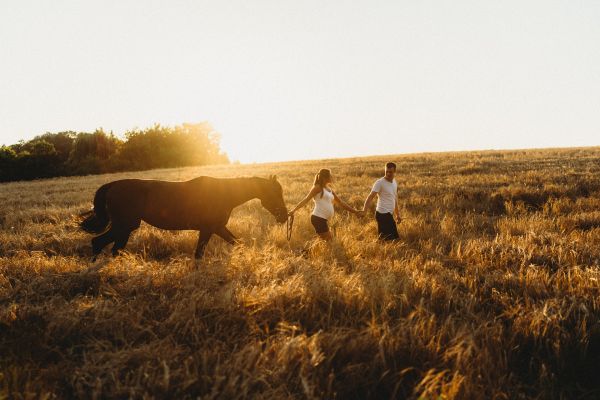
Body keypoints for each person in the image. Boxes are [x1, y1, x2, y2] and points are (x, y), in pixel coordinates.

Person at [288, 168, 362, 241]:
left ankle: (308, 252)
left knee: (326, 241)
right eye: (330, 176)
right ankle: (307, 252)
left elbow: (341, 203)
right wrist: (293, 210)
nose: (332, 177)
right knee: (330, 241)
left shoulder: (329, 189)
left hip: (323, 219)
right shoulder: (317, 188)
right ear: (325, 177)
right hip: (318, 218)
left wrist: (355, 211)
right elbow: (306, 200)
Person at [362, 162, 400, 241]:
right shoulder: (379, 183)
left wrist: (397, 215)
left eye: (391, 172)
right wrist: (364, 211)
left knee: (387, 239)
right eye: (387, 171)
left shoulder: (394, 182)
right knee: (391, 239)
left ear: (395, 171)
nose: (388, 174)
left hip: (389, 214)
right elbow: (370, 197)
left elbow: (395, 198)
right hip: (382, 214)